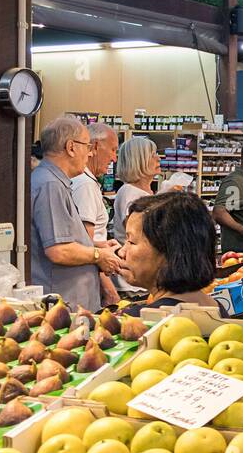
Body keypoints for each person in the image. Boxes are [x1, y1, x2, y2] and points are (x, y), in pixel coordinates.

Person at [30, 116, 129, 310]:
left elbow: (59, 239)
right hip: (63, 305)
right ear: (71, 147)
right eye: (87, 146)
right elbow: (58, 250)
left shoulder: (56, 182)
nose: (90, 153)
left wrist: (93, 244)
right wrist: (98, 255)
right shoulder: (51, 186)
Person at [119, 193, 220, 316]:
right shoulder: (218, 309)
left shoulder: (141, 322)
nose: (121, 252)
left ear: (169, 251)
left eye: (132, 242)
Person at [71, 121, 118, 249]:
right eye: (113, 150)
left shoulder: (86, 181)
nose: (114, 159)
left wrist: (103, 245)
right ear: (95, 146)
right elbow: (84, 244)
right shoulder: (86, 185)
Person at [111, 135, 158, 244]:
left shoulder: (145, 191)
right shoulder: (129, 192)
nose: (158, 158)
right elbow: (137, 234)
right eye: (152, 155)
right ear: (138, 161)